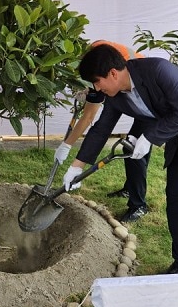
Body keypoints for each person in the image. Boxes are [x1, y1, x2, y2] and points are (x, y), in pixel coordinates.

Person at [64, 44, 178, 307]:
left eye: (97, 81)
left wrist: (149, 138)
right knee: (177, 198)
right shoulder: (116, 95)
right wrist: (77, 166)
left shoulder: (158, 70)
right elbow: (101, 129)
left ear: (113, 73)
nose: (96, 89)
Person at [54, 40, 151, 222]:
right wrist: (66, 146)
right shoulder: (95, 68)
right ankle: (131, 187)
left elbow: (90, 117)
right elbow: (93, 118)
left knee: (132, 149)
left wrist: (67, 147)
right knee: (131, 149)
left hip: (147, 96)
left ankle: (139, 205)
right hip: (131, 92)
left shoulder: (102, 64)